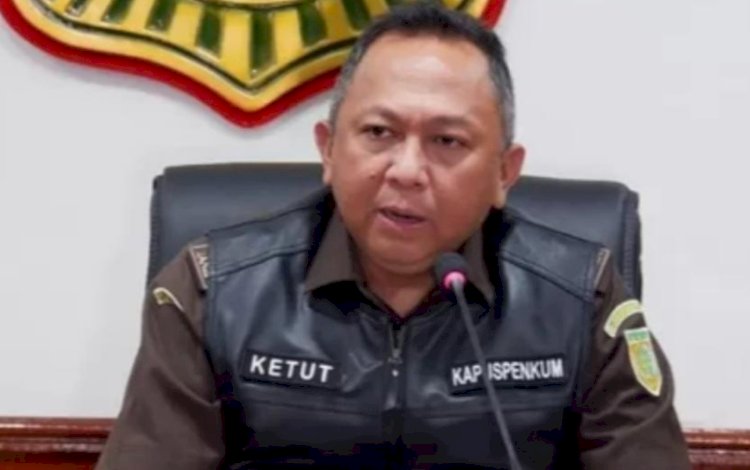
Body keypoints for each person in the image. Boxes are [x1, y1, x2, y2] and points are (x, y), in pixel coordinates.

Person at [96, 3, 691, 469]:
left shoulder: (583, 299)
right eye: (379, 132)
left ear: (504, 174)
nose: (406, 170)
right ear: (329, 150)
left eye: (447, 141)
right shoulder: (212, 291)